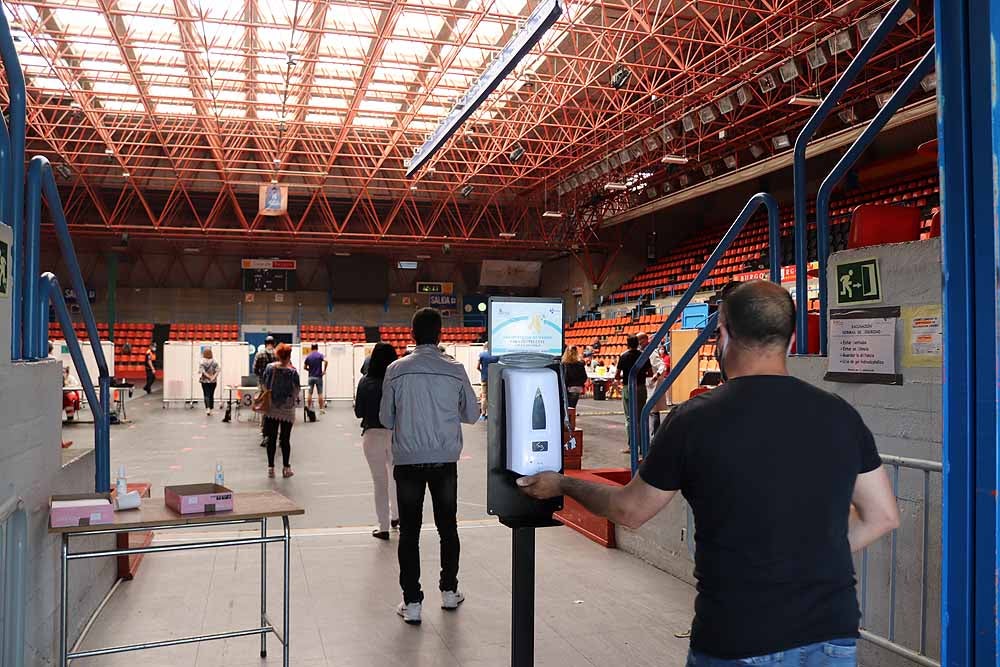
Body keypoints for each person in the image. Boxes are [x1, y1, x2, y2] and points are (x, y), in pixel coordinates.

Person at [518, 280, 900, 666]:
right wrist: (809, 551)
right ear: (792, 336)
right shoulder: (839, 414)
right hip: (830, 633)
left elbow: (629, 510)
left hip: (738, 633)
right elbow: (882, 516)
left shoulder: (694, 419)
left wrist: (562, 483)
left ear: (724, 334)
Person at [380, 308, 480, 625]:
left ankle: (412, 603)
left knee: (409, 533)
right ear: (440, 336)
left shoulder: (395, 370)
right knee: (447, 527)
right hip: (444, 461)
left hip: (408, 461)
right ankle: (449, 592)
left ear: (411, 334)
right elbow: (473, 414)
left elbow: (385, 418)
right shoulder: (455, 369)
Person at [355, 343, 400, 540]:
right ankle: (398, 518)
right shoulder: (397, 381)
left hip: (372, 434)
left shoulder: (365, 382)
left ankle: (383, 527)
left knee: (379, 482)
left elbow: (359, 413)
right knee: (397, 479)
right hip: (395, 435)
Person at [261, 343, 299, 479]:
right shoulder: (293, 372)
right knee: (285, 439)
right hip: (287, 409)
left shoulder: (270, 368)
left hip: (271, 408)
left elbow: (264, 384)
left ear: (277, 354)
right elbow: (296, 390)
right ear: (289, 356)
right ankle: (286, 467)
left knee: (271, 438)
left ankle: (271, 468)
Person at [615, 335, 651, 453]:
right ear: (638, 344)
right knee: (641, 417)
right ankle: (643, 446)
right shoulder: (643, 356)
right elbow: (650, 373)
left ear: (627, 344)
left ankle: (632, 445)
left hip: (628, 388)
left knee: (629, 418)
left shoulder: (624, 357)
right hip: (641, 387)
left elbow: (617, 375)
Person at [637, 332, 667, 434]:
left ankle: (655, 434)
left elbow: (662, 366)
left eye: (640, 340)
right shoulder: (642, 352)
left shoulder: (652, 353)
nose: (638, 343)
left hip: (652, 384)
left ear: (645, 340)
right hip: (647, 384)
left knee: (653, 410)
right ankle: (653, 434)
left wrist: (657, 375)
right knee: (651, 410)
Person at [254, 336, 278, 447]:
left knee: (264, 408)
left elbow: (255, 369)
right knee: (276, 407)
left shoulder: (259, 354)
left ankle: (264, 431)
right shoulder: (278, 353)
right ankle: (276, 431)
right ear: (273, 343)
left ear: (265, 343)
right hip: (276, 385)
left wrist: (262, 377)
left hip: (263, 384)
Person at [303, 343, 328, 414]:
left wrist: (309, 370)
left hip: (310, 377)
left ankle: (309, 408)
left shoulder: (308, 356)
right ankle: (321, 409)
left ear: (311, 348)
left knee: (310, 393)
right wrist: (324, 371)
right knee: (320, 393)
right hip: (318, 377)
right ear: (317, 348)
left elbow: (304, 367)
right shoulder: (320, 355)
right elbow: (326, 361)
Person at [476, 342, 498, 418]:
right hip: (493, 378)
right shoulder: (496, 356)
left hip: (484, 378)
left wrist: (482, 372)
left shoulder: (481, 355)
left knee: (484, 396)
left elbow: (477, 367)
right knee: (492, 396)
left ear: (485, 347)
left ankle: (483, 413)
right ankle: (490, 413)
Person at [198, 347, 220, 416]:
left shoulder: (201, 361)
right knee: (211, 395)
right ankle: (211, 409)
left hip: (204, 381)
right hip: (213, 381)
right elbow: (218, 371)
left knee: (206, 394)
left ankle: (207, 409)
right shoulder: (215, 361)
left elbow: (202, 371)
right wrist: (213, 377)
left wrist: (208, 376)